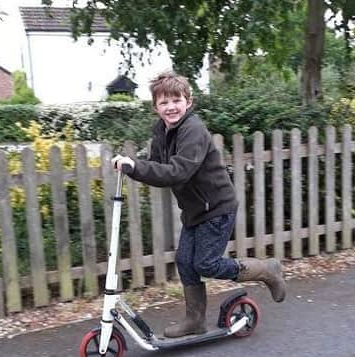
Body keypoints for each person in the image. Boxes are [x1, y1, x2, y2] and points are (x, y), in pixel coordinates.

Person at [112, 71, 285, 338]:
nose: (170, 107)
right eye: (163, 102)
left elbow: (178, 171)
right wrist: (132, 165)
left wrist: (135, 167)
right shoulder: (162, 131)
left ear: (188, 101)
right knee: (185, 261)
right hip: (195, 210)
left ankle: (266, 270)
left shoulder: (193, 130)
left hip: (216, 207)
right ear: (155, 107)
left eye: (176, 100)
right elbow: (156, 165)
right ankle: (195, 320)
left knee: (206, 263)